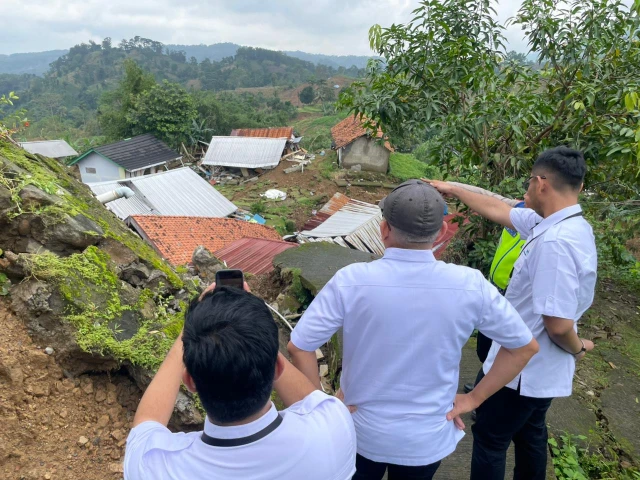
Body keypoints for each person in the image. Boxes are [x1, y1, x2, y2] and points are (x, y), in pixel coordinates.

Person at [288, 179, 539, 480]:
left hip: (360, 432)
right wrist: (473, 399)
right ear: (442, 232)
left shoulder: (351, 280)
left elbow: (299, 346)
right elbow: (524, 347)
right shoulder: (469, 284)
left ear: (384, 229)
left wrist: (323, 406)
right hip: (427, 439)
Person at [428, 146, 597, 480]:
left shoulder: (556, 243)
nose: (527, 188)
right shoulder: (562, 225)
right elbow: (499, 209)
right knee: (530, 432)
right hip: (540, 371)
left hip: (521, 372)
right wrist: (453, 189)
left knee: (490, 439)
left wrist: (578, 348)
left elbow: (558, 325)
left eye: (530, 181)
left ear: (541, 183)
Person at [124, 283, 357, 480]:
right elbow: (312, 401)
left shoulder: (152, 467)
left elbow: (147, 421)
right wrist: (253, 331)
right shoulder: (333, 430)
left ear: (190, 382)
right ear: (278, 367)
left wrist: (188, 331)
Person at [444, 182, 527, 394]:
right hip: (496, 288)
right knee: (484, 349)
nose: (526, 194)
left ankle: (488, 394)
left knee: (502, 350)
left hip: (514, 296)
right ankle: (485, 385)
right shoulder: (519, 209)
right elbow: (487, 197)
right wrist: (450, 187)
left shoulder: (541, 223)